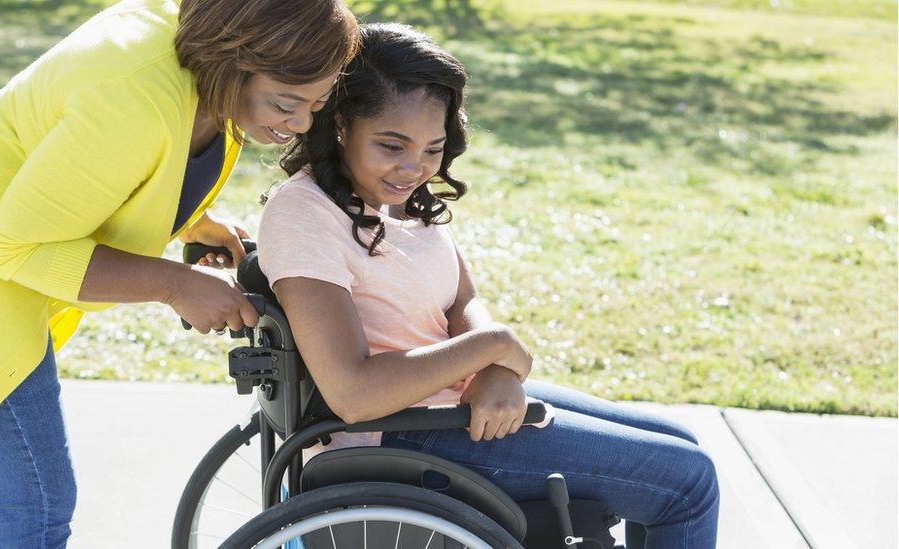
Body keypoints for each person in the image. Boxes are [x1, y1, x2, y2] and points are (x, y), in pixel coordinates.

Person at [256, 23, 720, 548]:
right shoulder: (306, 215)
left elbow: (462, 300)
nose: (415, 168)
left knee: (679, 441)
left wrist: (493, 367)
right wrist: (493, 348)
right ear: (340, 123)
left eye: (433, 149)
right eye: (392, 145)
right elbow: (354, 393)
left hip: (444, 400)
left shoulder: (392, 198)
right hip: (397, 430)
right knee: (688, 482)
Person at [0, 0, 358, 546]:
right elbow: (20, 247)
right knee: (37, 500)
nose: (300, 124)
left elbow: (102, 170)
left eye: (317, 104)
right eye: (286, 103)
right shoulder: (134, 99)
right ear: (232, 60)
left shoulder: (195, 66)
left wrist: (191, 221)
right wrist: (175, 285)